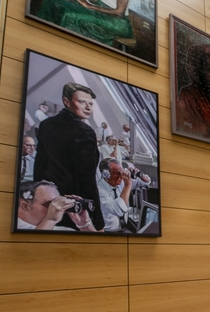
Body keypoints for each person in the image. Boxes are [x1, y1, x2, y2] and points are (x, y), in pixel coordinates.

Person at [34, 82, 105, 231]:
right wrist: (97, 223)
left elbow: (39, 166)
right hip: (74, 207)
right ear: (66, 101)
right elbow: (87, 179)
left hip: (50, 203)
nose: (88, 107)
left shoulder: (46, 125)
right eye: (82, 102)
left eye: (90, 104)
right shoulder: (85, 131)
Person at [16, 180, 96, 231]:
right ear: (25, 207)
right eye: (50, 204)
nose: (57, 208)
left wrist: (84, 225)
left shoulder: (64, 231)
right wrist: (51, 220)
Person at [96, 158, 150, 232]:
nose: (122, 176)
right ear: (106, 175)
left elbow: (146, 182)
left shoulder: (121, 181)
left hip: (124, 226)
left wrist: (139, 173)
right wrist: (128, 185)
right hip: (109, 232)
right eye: (118, 173)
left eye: (122, 172)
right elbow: (119, 211)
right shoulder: (98, 190)